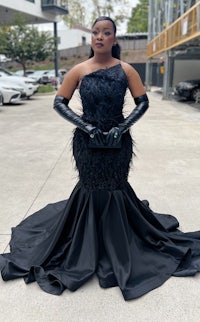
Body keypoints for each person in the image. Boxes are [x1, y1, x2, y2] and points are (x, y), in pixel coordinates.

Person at [0, 16, 200, 301]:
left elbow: (143, 102)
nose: (100, 37)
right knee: (91, 186)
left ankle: (118, 242)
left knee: (116, 187)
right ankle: (87, 242)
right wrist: (87, 127)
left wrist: (122, 127)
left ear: (114, 39)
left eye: (107, 33)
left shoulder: (126, 69)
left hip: (119, 144)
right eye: (96, 32)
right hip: (87, 143)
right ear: (92, 38)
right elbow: (59, 102)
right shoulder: (79, 70)